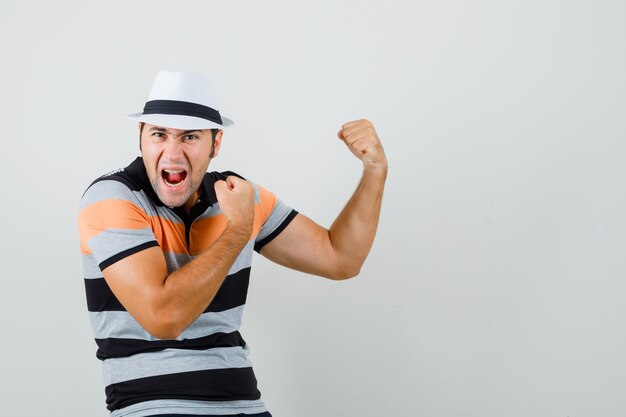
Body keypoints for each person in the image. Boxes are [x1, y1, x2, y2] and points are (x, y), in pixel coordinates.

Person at [78, 71, 387, 417]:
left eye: (190, 136)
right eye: (159, 134)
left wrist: (374, 171)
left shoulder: (237, 196)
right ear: (141, 137)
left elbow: (340, 258)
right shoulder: (112, 198)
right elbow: (164, 317)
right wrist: (238, 230)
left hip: (245, 404)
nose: (172, 152)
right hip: (153, 405)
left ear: (216, 143)